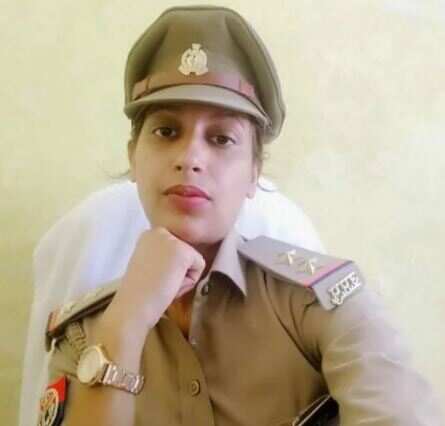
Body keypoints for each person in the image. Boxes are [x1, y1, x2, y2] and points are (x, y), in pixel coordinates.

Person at [36, 5, 443, 426]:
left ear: (254, 173)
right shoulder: (83, 336)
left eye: (221, 138)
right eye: (166, 131)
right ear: (133, 157)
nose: (191, 158)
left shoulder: (323, 305)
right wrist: (124, 325)